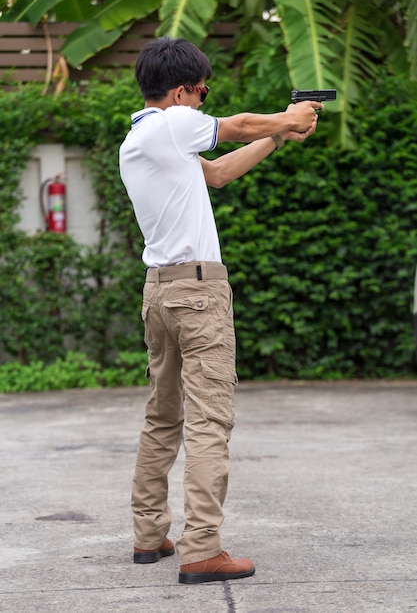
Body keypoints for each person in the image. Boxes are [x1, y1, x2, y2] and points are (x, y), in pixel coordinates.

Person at [119, 36, 322, 585]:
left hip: (159, 290)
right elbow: (236, 126)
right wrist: (287, 117)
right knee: (210, 419)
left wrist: (280, 138)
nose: (203, 101)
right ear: (182, 90)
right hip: (199, 290)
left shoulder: (141, 138)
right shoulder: (173, 123)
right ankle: (202, 548)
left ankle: (148, 535)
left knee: (163, 417)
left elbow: (217, 173)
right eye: (202, 92)